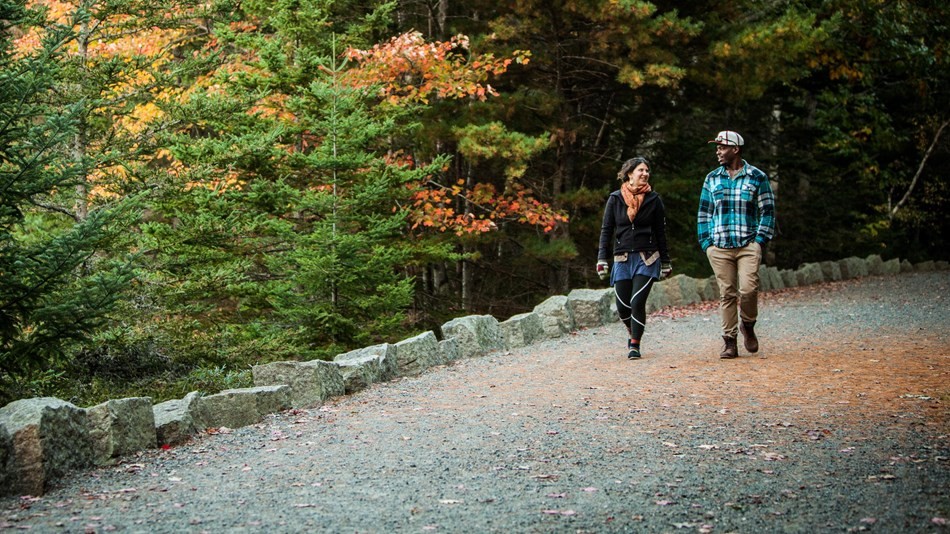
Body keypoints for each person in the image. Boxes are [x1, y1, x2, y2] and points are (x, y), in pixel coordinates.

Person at [697, 130, 776, 359]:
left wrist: (760, 241)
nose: (718, 151)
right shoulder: (712, 178)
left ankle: (748, 325)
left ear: (736, 149)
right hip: (719, 246)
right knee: (727, 293)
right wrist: (707, 244)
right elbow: (704, 213)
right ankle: (729, 342)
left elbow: (768, 212)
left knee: (749, 289)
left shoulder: (757, 177)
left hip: (748, 244)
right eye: (717, 148)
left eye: (722, 147)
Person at [597, 157, 672, 359]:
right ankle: (633, 331)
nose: (645, 174)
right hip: (621, 258)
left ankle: (634, 345)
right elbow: (607, 230)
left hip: (647, 257)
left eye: (647, 170)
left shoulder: (653, 199)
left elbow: (660, 232)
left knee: (637, 301)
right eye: (641, 170)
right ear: (630, 173)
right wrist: (601, 259)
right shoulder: (615, 198)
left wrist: (665, 261)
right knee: (623, 307)